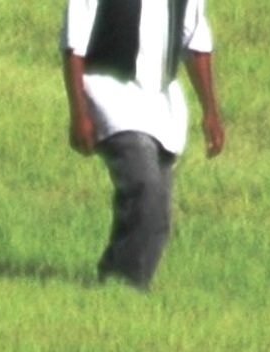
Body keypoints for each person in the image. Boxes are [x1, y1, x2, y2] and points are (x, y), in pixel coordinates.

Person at [61, 0, 226, 290]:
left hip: (161, 106)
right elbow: (74, 46)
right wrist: (79, 113)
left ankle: (120, 282)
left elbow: (196, 44)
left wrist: (210, 111)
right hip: (109, 94)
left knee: (157, 213)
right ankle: (124, 283)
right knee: (145, 187)